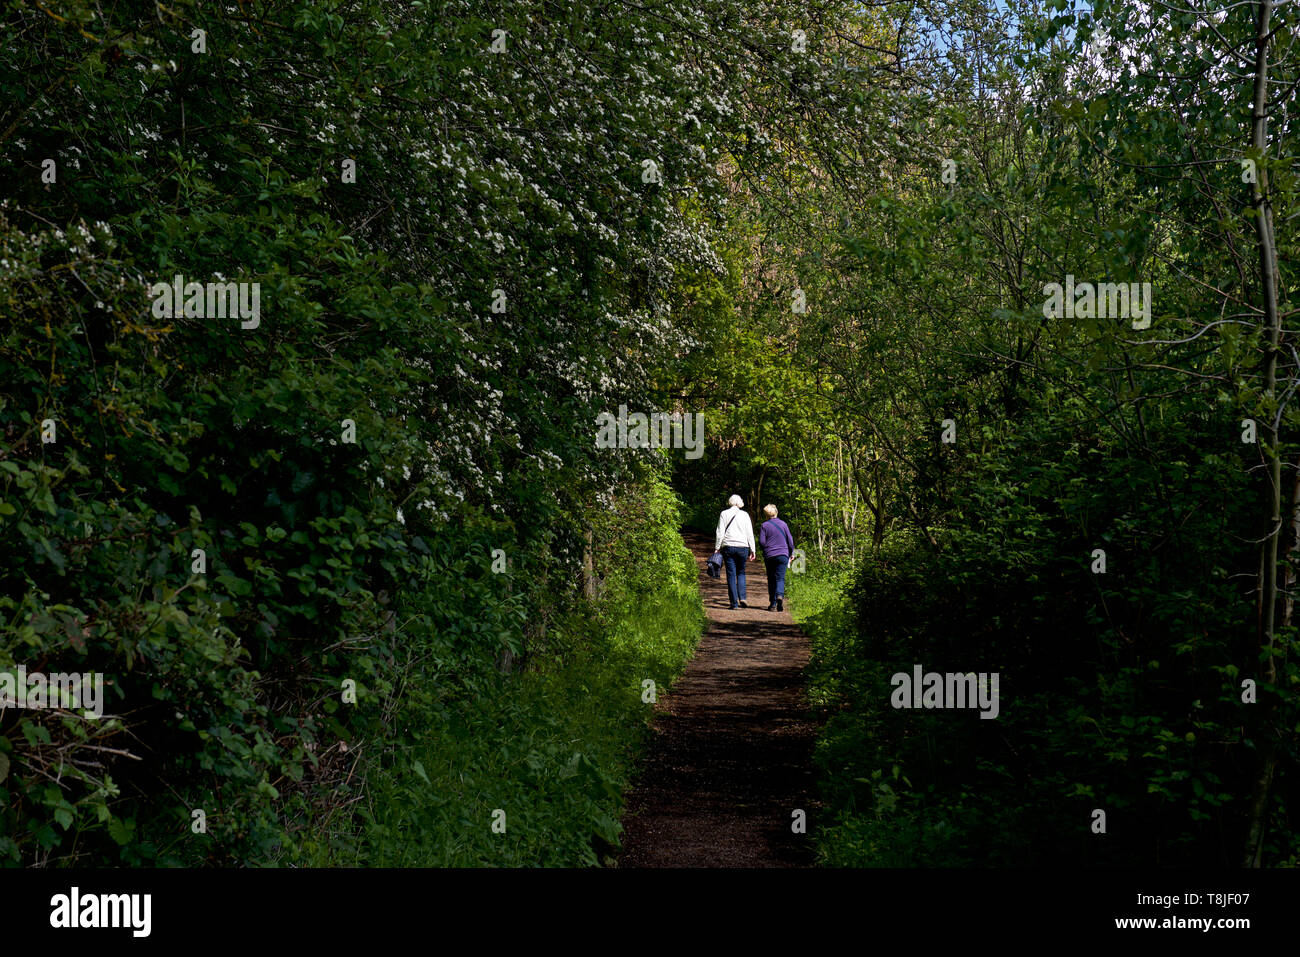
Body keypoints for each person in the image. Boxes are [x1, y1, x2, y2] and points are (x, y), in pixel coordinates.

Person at [714, 494, 755, 609]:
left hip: (728, 547)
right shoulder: (745, 515)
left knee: (731, 574)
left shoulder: (724, 513)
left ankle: (734, 603)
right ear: (739, 502)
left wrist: (717, 547)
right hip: (743, 547)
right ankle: (742, 597)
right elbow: (749, 533)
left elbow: (720, 532)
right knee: (741, 572)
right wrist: (753, 549)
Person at [758, 504, 795, 612]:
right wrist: (791, 552)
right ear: (776, 512)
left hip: (770, 555)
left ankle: (773, 604)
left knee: (771, 579)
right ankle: (780, 595)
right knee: (780, 578)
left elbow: (762, 541)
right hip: (783, 554)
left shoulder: (764, 525)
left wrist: (765, 549)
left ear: (766, 515)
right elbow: (790, 541)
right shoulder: (783, 524)